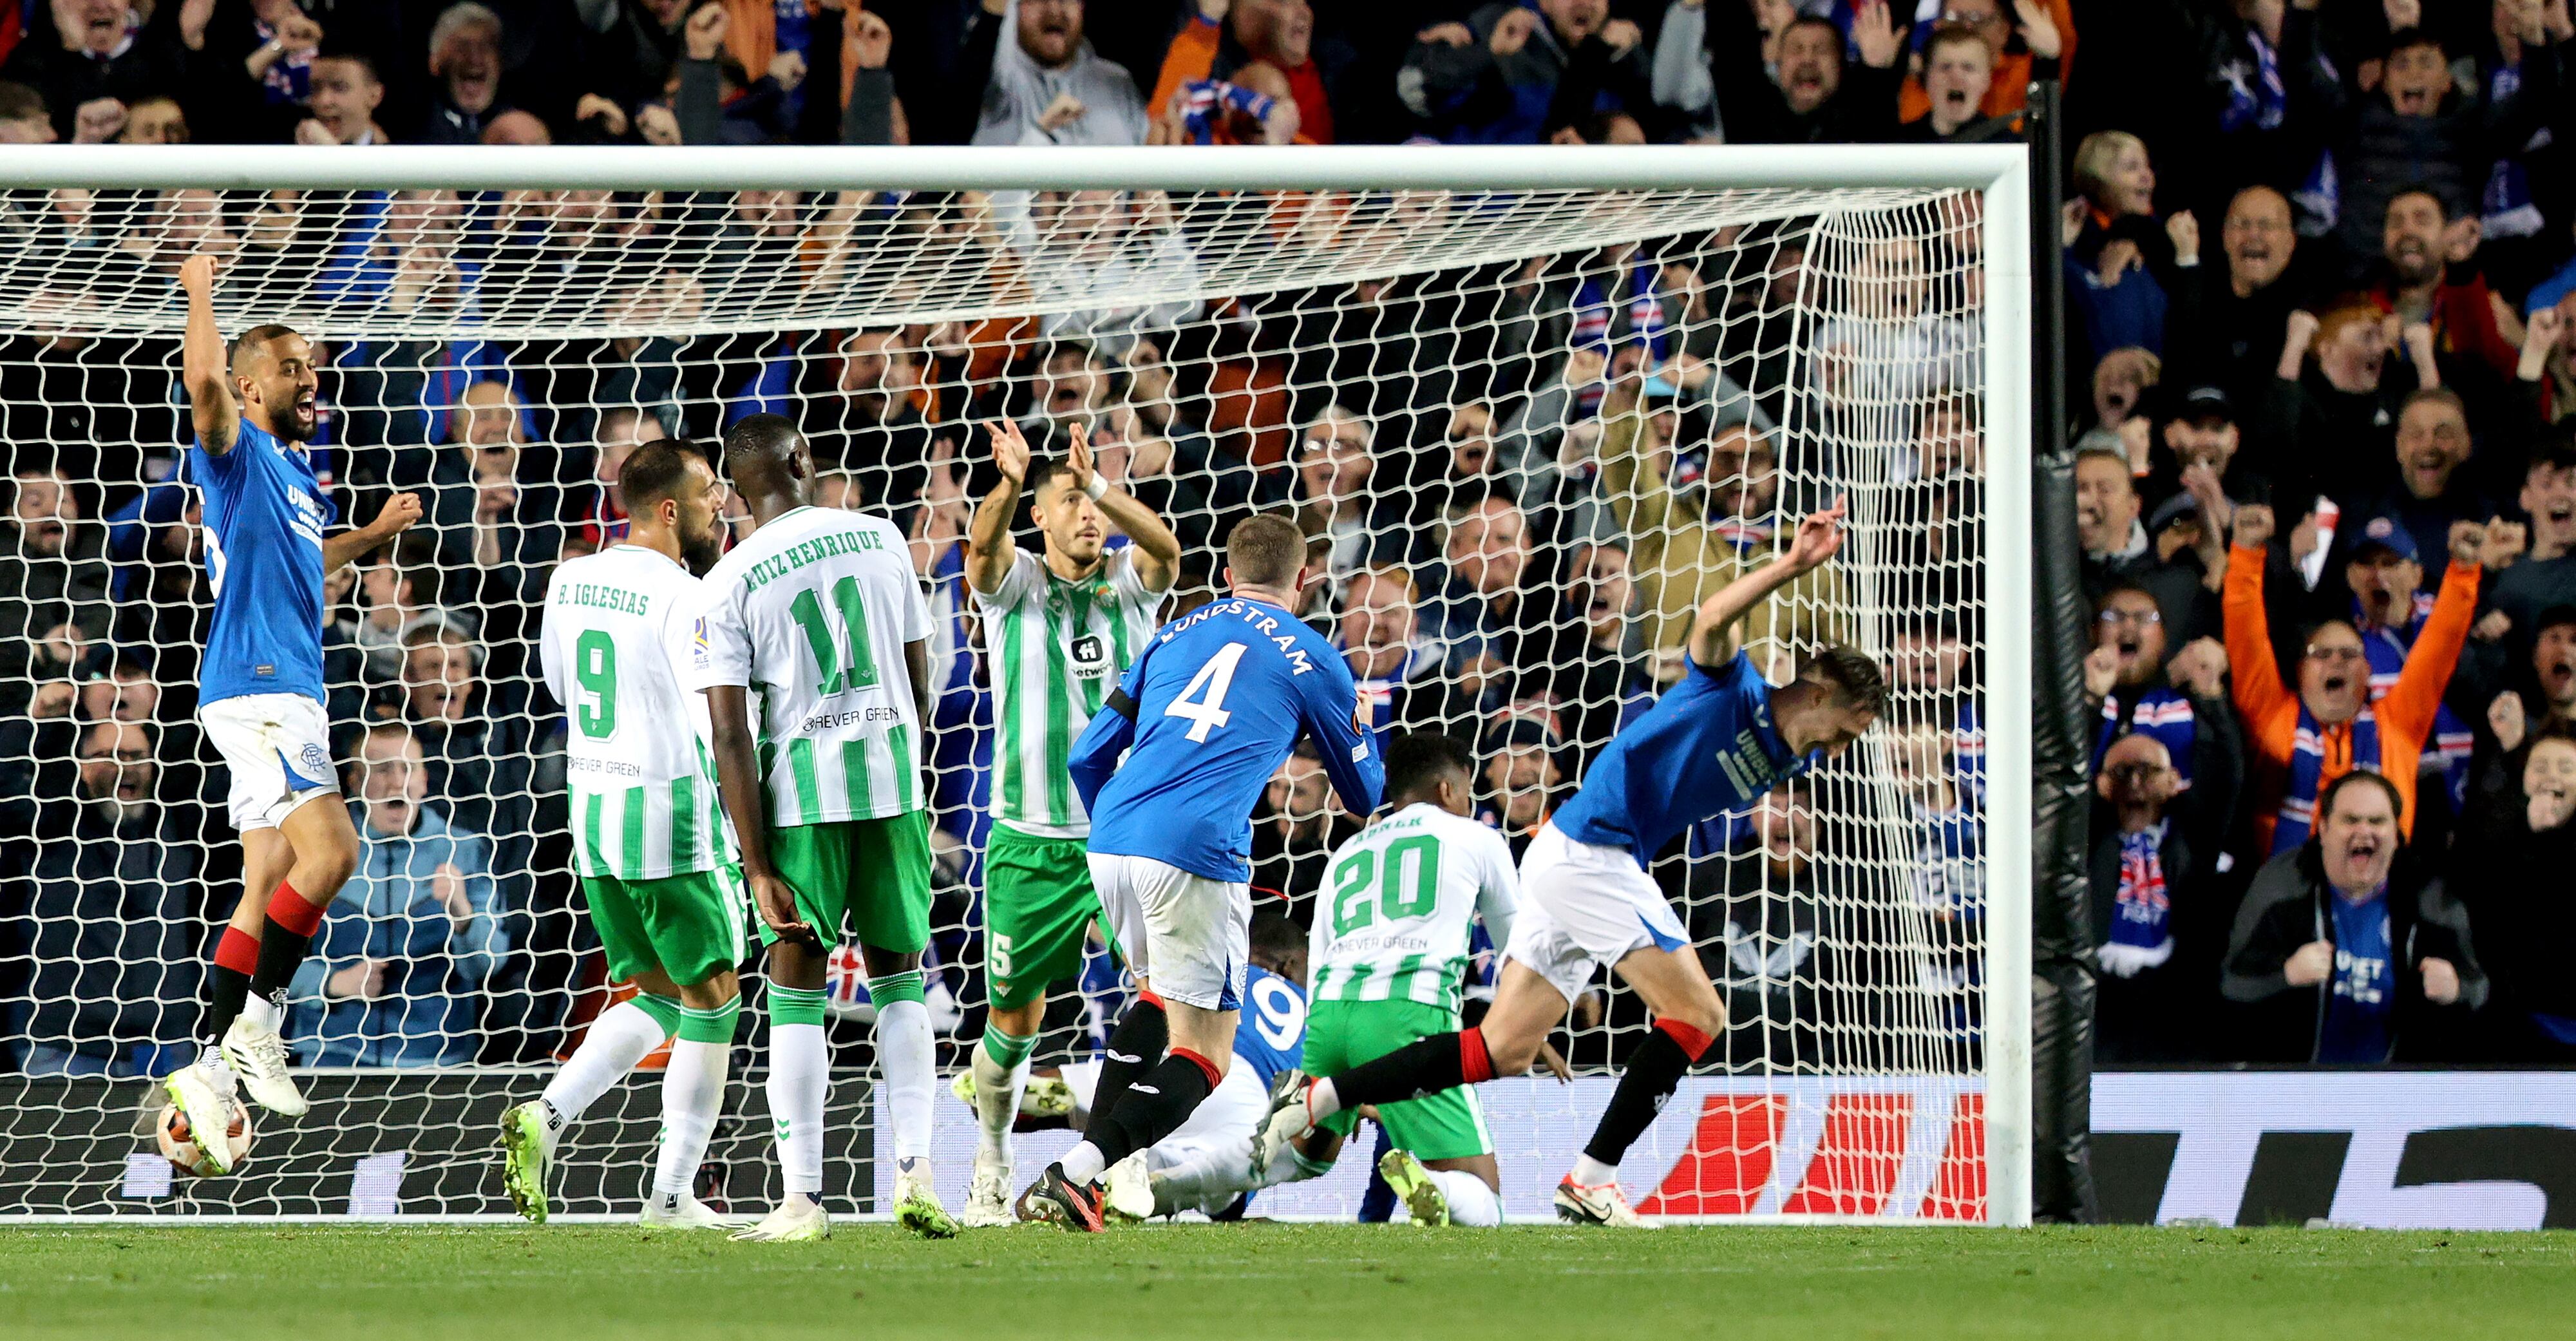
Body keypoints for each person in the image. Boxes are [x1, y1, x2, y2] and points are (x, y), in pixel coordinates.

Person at [1255, 500, 1884, 1227]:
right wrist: (1789, 565)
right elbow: (1710, 618)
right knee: (1697, 1012)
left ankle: (1321, 1098)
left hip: (1570, 856)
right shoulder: (1732, 690)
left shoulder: (1782, 756)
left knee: (1504, 1048)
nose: (1836, 751)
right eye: (1841, 730)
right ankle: (1591, 1177)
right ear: (1816, 693)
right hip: (1593, 850)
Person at [1019, 513, 1384, 1230]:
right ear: (1302, 581)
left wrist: (1125, 839)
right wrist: (1361, 727)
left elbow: (1085, 755)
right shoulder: (1313, 657)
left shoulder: (1173, 633)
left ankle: (1098, 1170)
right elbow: (1363, 796)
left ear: (1226, 576)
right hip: (1193, 850)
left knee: (1156, 1002)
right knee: (1205, 1054)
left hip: (1111, 836)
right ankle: (1076, 1173)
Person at [160, 252, 423, 1172]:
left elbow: (307, 570)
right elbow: (200, 384)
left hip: (286, 691)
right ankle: (256, 1031)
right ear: (248, 384)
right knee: (336, 853)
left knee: (268, 877)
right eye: (292, 366)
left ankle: (208, 1074)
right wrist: (201, 289)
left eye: (314, 365)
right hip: (261, 687)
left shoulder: (301, 481)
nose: (311, 378)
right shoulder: (235, 452)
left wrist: (376, 536)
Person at [691, 414, 954, 1242]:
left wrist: (755, 861)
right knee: (901, 982)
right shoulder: (881, 538)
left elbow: (729, 732)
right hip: (891, 787)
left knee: (796, 994)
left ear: (735, 489)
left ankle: (802, 1199)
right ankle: (917, 1172)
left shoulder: (727, 581)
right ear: (803, 458)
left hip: (802, 804)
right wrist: (910, 766)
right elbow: (918, 668)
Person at [502, 440, 743, 1230]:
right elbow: (718, 720)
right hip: (669, 817)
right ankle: (673, 1195)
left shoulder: (568, 579)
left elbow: (561, 689)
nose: (722, 507)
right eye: (710, 494)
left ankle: (547, 1114)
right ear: (670, 510)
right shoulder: (686, 597)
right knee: (713, 1000)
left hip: (595, 816)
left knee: (663, 996)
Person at [957, 416, 1180, 1228]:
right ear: (1041, 519)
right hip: (1028, 840)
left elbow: (1168, 554)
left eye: (1089, 503)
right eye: (1070, 503)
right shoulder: (1014, 585)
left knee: (1162, 995)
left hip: (1125, 834)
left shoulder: (1128, 584)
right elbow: (979, 550)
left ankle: (1125, 1156)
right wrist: (1014, 484)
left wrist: (1102, 489)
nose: (1085, 516)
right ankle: (991, 1154)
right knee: (1014, 1024)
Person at [1288, 732, 1521, 1228]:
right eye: (1466, 792)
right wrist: (1527, 1023)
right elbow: (1517, 948)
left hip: (1329, 1017)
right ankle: (1430, 1183)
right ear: (1446, 790)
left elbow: (1318, 956)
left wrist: (1332, 1060)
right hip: (1409, 1018)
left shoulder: (1348, 850)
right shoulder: (1477, 837)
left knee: (1300, 1160)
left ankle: (1169, 1180)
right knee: (1484, 1200)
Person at [2225, 503, 2493, 857]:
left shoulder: (2397, 725)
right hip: (2288, 896)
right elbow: (2246, 635)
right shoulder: (2273, 715)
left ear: (2367, 674)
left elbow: (2438, 647)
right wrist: (2245, 551)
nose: (2336, 660)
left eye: (2350, 654)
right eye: (2321, 654)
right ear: (2301, 673)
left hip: (2385, 892)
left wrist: (2463, 569)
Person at [2221, 770, 2486, 1063]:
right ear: (2323, 830)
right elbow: (2231, 985)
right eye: (2350, 820)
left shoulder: (2431, 897)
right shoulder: (2281, 886)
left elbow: (2480, 989)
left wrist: (2456, 990)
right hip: (2297, 1086)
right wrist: (2285, 976)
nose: (2364, 831)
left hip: (2395, 1089)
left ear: (2397, 836)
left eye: (2377, 821)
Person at [1136, 911, 1320, 1219]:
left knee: (1075, 1102)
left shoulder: (1217, 972)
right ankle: (1140, 1189)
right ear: (1290, 965)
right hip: (1247, 1100)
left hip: (1179, 1072)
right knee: (1225, 1182)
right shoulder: (1310, 1011)